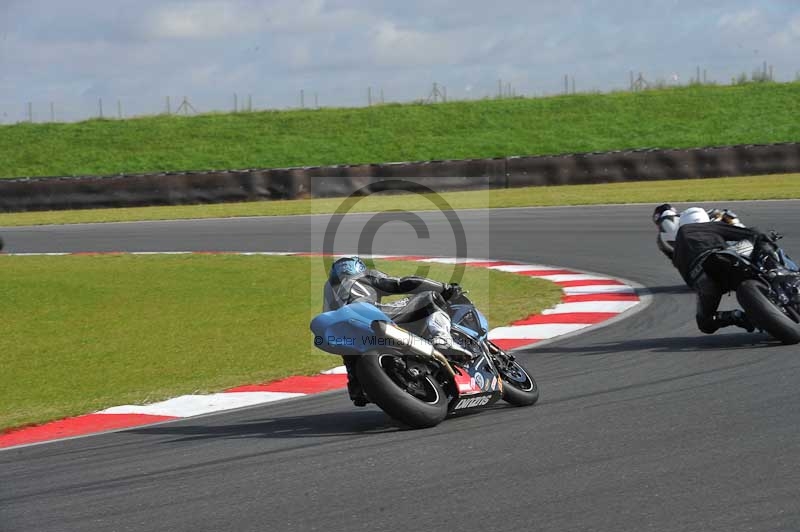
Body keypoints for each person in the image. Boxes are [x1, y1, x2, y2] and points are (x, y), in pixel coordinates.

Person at [322, 256, 472, 405]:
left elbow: (345, 349)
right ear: (356, 267)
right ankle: (442, 339)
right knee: (430, 297)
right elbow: (403, 284)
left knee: (349, 348)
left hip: (354, 333)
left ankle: (357, 385)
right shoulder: (364, 275)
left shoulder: (329, 290)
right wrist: (445, 288)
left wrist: (354, 379)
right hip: (374, 316)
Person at [657, 205, 765, 334]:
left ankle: (735, 317)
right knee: (761, 241)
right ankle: (783, 271)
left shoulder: (675, 245)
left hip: (702, 279)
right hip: (725, 257)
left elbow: (685, 275)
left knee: (705, 323)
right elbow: (749, 233)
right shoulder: (709, 224)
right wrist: (762, 237)